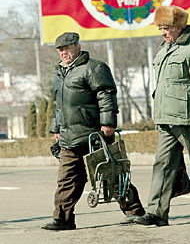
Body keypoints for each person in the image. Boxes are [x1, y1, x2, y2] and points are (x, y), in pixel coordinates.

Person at [42, 32, 145, 231]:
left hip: (93, 135)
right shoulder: (60, 73)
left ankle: (134, 211)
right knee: (66, 180)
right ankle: (63, 219)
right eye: (60, 50)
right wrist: (56, 128)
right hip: (68, 138)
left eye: (67, 48)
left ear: (77, 46)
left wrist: (108, 124)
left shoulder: (94, 67)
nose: (63, 52)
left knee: (110, 174)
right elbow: (60, 106)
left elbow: (106, 96)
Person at [135, 5, 190, 227]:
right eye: (160, 28)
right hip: (165, 118)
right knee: (162, 165)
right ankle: (157, 212)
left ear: (179, 27)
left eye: (166, 28)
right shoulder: (164, 49)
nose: (162, 32)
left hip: (188, 117)